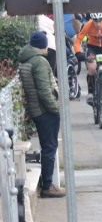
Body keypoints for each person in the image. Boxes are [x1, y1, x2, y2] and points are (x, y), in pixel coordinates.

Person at [18, 32, 65, 198]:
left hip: (35, 109)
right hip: (45, 111)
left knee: (47, 146)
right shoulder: (40, 62)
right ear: (43, 46)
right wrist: (55, 109)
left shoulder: (26, 59)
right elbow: (44, 91)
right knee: (50, 147)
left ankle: (47, 183)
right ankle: (47, 186)